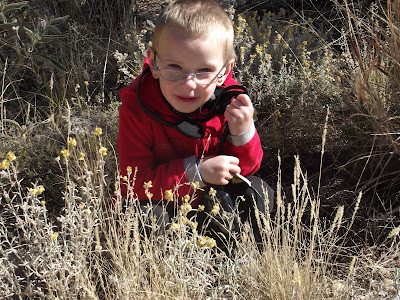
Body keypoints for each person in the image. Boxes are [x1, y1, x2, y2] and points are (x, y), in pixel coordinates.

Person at [117, 0, 273, 250]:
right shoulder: (138, 109)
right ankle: (162, 272)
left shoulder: (227, 103)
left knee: (258, 192)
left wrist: (242, 131)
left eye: (203, 70)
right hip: (163, 204)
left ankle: (235, 256)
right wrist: (196, 174)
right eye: (174, 67)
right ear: (154, 63)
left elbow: (246, 169)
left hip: (212, 202)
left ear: (224, 71)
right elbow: (132, 183)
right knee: (141, 217)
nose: (189, 84)